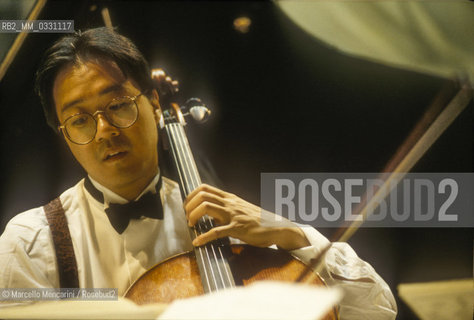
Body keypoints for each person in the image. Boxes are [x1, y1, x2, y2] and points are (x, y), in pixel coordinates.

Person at [0, 27, 396, 319]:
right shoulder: (31, 243)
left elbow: (377, 308)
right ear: (64, 136)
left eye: (118, 105)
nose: (104, 130)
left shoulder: (225, 220)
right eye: (80, 120)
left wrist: (288, 232)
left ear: (155, 105)